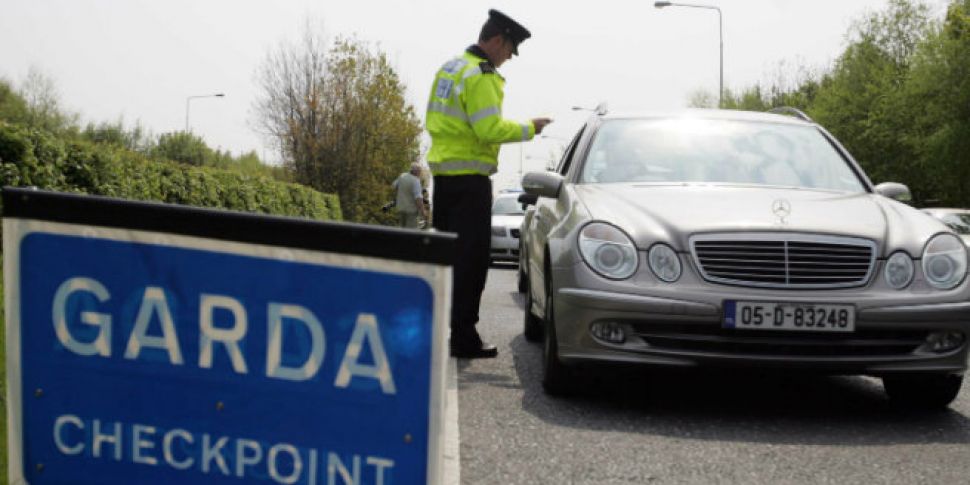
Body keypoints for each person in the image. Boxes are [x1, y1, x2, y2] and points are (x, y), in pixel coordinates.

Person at [425, 9, 552, 359]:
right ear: (497, 40)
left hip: (444, 179)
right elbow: (488, 130)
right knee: (471, 262)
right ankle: (464, 337)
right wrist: (530, 128)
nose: (509, 58)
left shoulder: (450, 68)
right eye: (510, 49)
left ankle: (443, 330)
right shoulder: (482, 76)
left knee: (449, 260)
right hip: (470, 183)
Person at [390, 162, 428, 229]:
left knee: (401, 232)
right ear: (416, 171)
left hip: (401, 209)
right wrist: (423, 212)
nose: (420, 173)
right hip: (411, 212)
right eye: (419, 171)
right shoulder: (416, 181)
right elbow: (418, 199)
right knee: (411, 234)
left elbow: (393, 186)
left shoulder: (402, 176)